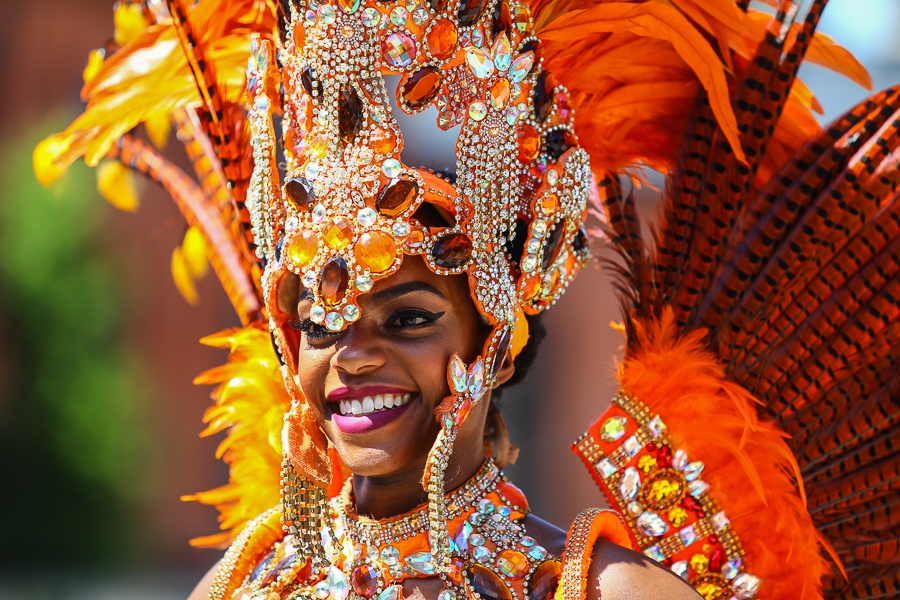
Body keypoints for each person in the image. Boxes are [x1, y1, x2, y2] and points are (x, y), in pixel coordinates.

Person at [34, 0, 899, 599]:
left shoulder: (611, 591)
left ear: (500, 324)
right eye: (321, 320)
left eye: (408, 317)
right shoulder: (247, 583)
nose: (354, 354)